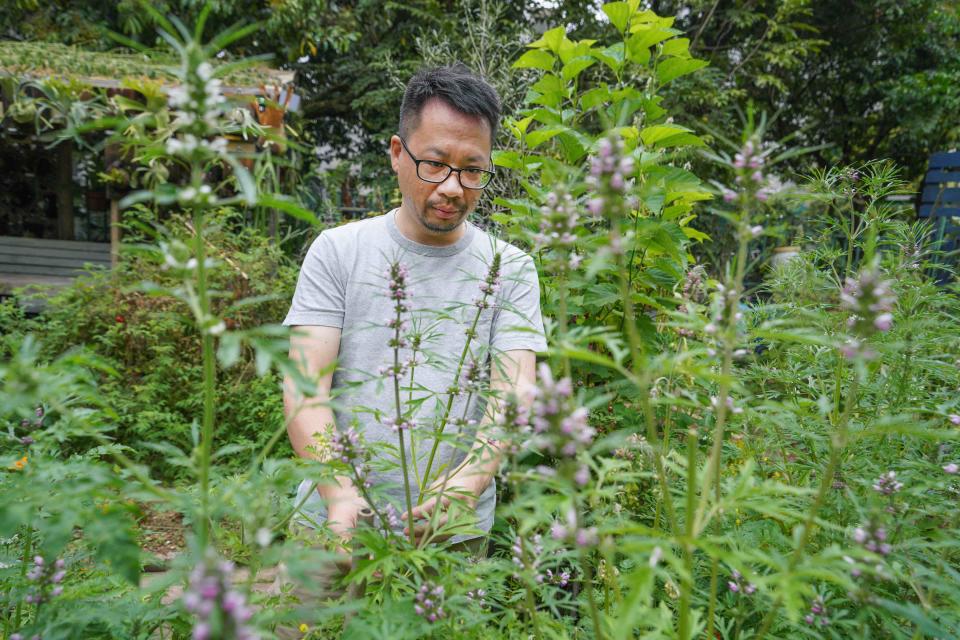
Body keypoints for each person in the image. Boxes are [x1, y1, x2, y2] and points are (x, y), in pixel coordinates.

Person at [281, 63, 546, 574]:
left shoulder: (511, 269)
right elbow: (305, 387)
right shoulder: (337, 251)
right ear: (398, 154)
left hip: (452, 532)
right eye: (435, 163)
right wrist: (339, 494)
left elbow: (513, 396)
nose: (452, 187)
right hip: (332, 523)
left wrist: (467, 486)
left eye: (472, 169)